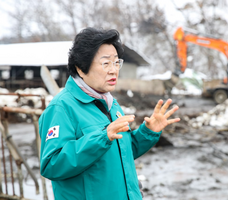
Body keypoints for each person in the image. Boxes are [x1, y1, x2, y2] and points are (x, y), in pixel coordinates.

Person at [38, 27, 180, 200]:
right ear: (81, 69)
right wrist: (102, 137)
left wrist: (148, 132)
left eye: (116, 62)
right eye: (105, 63)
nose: (113, 70)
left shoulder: (109, 102)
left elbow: (121, 153)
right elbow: (52, 165)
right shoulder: (62, 108)